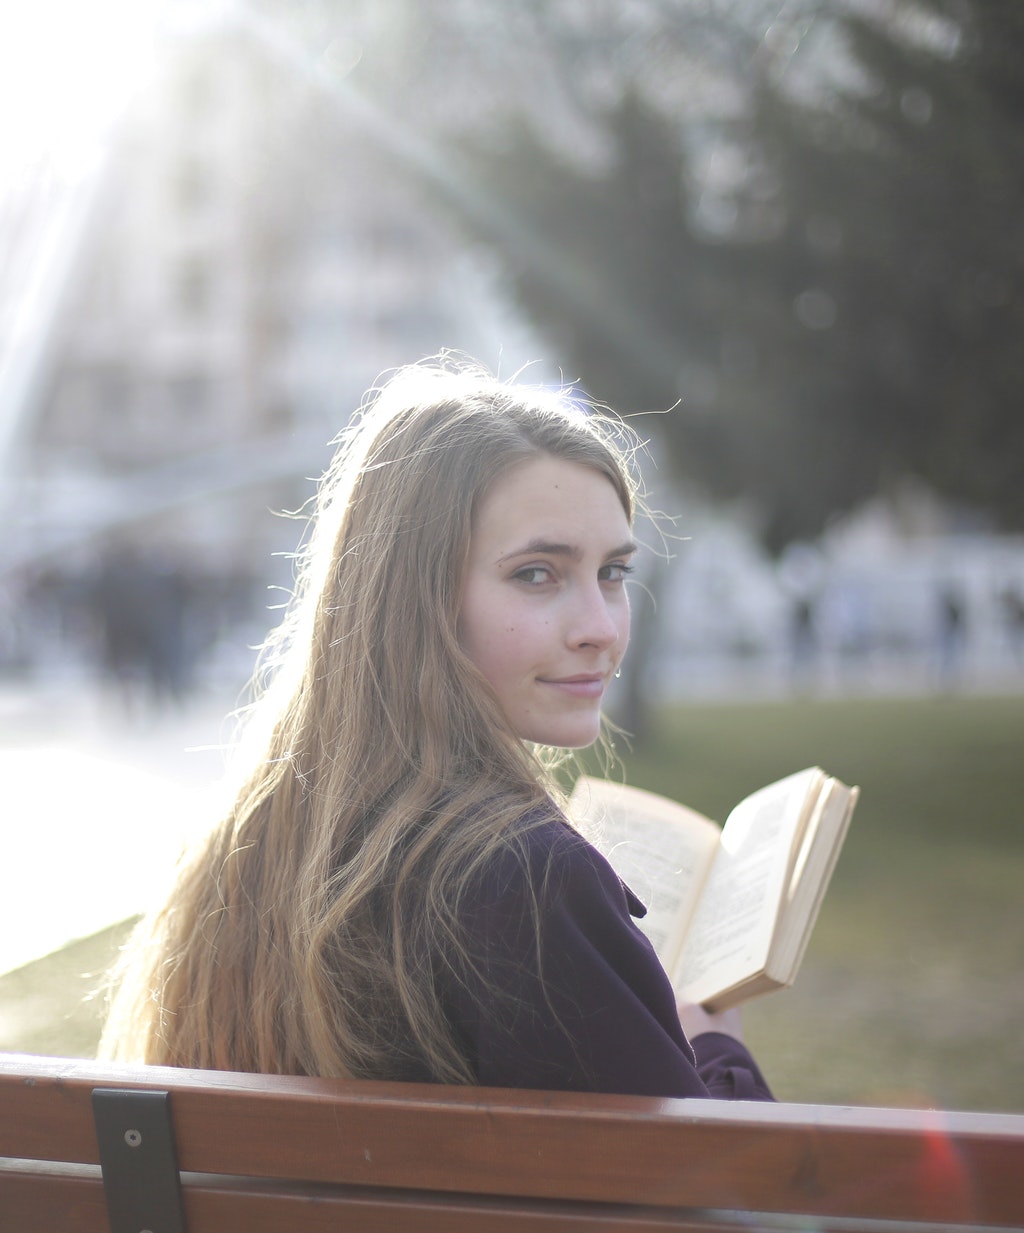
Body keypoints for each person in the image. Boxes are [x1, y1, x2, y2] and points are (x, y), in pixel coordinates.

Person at [102, 362, 773, 1101]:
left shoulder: (252, 838)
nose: (601, 629)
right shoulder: (529, 883)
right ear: (413, 599)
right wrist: (714, 1045)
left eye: (612, 572)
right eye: (538, 575)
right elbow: (720, 1202)